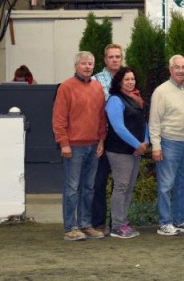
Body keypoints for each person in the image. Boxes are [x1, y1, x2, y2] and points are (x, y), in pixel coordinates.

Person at [52, 51, 107, 241]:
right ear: (76, 66)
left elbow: (101, 117)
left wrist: (101, 140)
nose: (87, 67)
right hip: (73, 147)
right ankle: (70, 227)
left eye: (90, 64)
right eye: (84, 63)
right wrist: (63, 143)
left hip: (93, 145)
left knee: (89, 187)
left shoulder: (98, 88)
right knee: (72, 188)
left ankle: (85, 224)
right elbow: (59, 118)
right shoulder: (66, 87)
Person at [150, 55, 184, 236]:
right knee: (166, 185)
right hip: (169, 142)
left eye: (183, 67)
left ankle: (180, 220)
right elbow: (154, 121)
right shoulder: (161, 91)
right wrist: (156, 145)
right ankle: (165, 223)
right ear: (170, 70)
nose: (181, 70)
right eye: (177, 67)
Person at [104, 67, 148, 239]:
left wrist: (145, 143)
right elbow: (119, 127)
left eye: (133, 79)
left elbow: (144, 122)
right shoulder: (115, 100)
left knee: (128, 188)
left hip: (135, 151)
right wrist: (138, 144)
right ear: (119, 82)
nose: (131, 82)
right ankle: (116, 226)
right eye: (127, 79)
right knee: (121, 188)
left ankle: (123, 221)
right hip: (119, 151)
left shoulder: (136, 99)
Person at [91, 43, 124, 235]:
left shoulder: (126, 79)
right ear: (105, 59)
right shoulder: (95, 81)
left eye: (118, 57)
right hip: (102, 137)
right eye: (111, 57)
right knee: (99, 182)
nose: (114, 60)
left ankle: (118, 223)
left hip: (121, 139)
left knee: (120, 183)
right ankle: (98, 223)